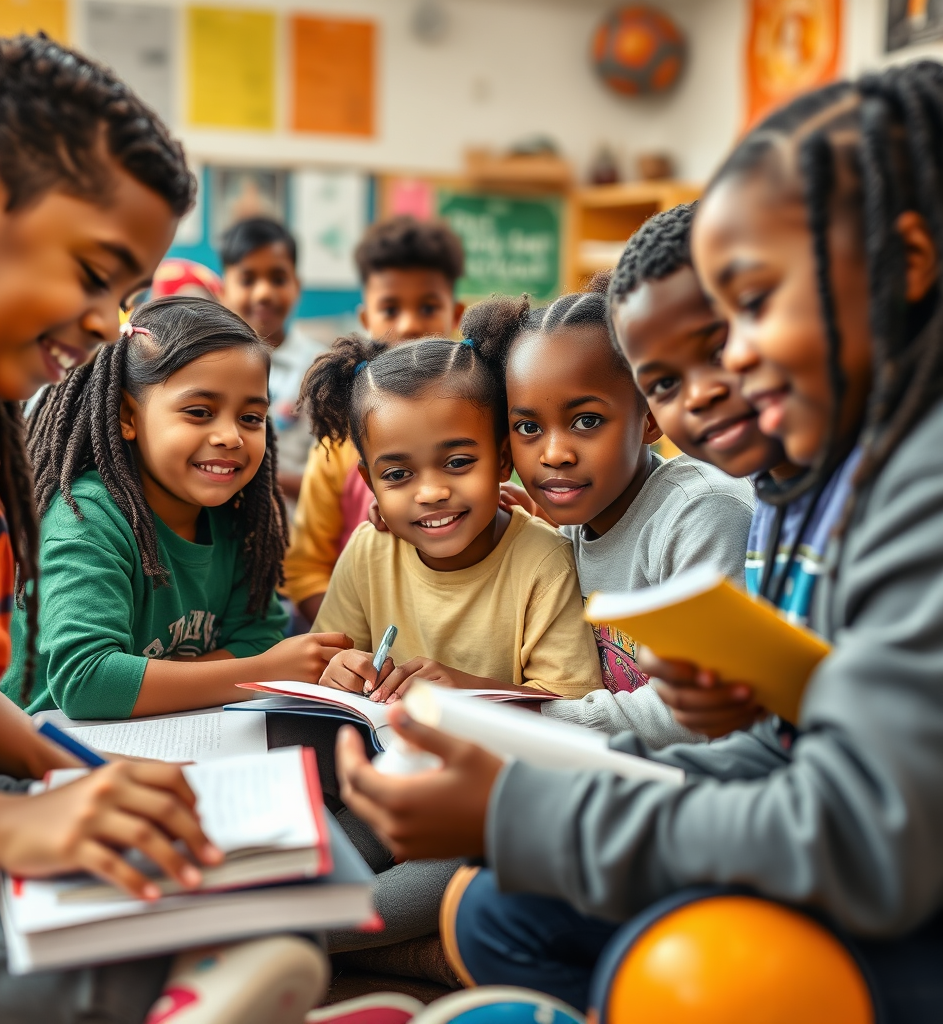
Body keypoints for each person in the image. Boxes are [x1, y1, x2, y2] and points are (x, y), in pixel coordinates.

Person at [335, 63, 943, 1022]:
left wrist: (520, 807)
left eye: (755, 305)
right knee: (502, 912)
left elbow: (866, 838)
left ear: (905, 264)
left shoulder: (909, 486)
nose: (734, 363)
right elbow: (788, 752)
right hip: (835, 844)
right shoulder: (809, 487)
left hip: (894, 906)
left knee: (652, 956)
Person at [0, 35, 325, 1024]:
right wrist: (7, 830)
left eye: (125, 293)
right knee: (147, 965)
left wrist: (73, 777)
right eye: (94, 275)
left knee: (257, 898)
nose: (109, 324)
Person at [0, 296, 351, 719]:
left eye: (251, 418)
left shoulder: (233, 517)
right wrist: (262, 671)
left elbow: (260, 636)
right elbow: (87, 681)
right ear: (127, 416)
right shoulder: (86, 516)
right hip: (48, 746)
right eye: (200, 412)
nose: (231, 436)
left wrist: (187, 677)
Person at [477, 285, 754, 746]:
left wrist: (523, 717)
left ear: (650, 417)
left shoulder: (701, 513)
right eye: (528, 427)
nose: (555, 453)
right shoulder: (570, 523)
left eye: (586, 420)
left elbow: (700, 710)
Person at [607, 203, 814, 737]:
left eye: (719, 349)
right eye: (665, 384)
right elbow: (783, 739)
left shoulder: (877, 494)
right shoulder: (772, 503)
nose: (700, 394)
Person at [302, 333, 602, 701]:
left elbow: (573, 705)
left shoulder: (545, 563)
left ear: (503, 460)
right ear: (371, 484)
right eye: (397, 474)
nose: (431, 493)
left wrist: (466, 693)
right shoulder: (368, 551)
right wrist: (338, 672)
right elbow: (322, 667)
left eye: (458, 463)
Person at [284, 216, 466, 625]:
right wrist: (347, 637)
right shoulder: (340, 443)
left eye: (428, 307)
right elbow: (306, 569)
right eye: (390, 309)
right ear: (366, 319)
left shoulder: (481, 419)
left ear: (455, 313)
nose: (409, 324)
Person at [220, 217, 325, 508]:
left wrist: (254, 477)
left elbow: (336, 478)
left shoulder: (321, 370)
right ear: (223, 288)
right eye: (247, 280)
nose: (264, 293)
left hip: (296, 528)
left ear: (297, 285)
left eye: (278, 279)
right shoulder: (210, 366)